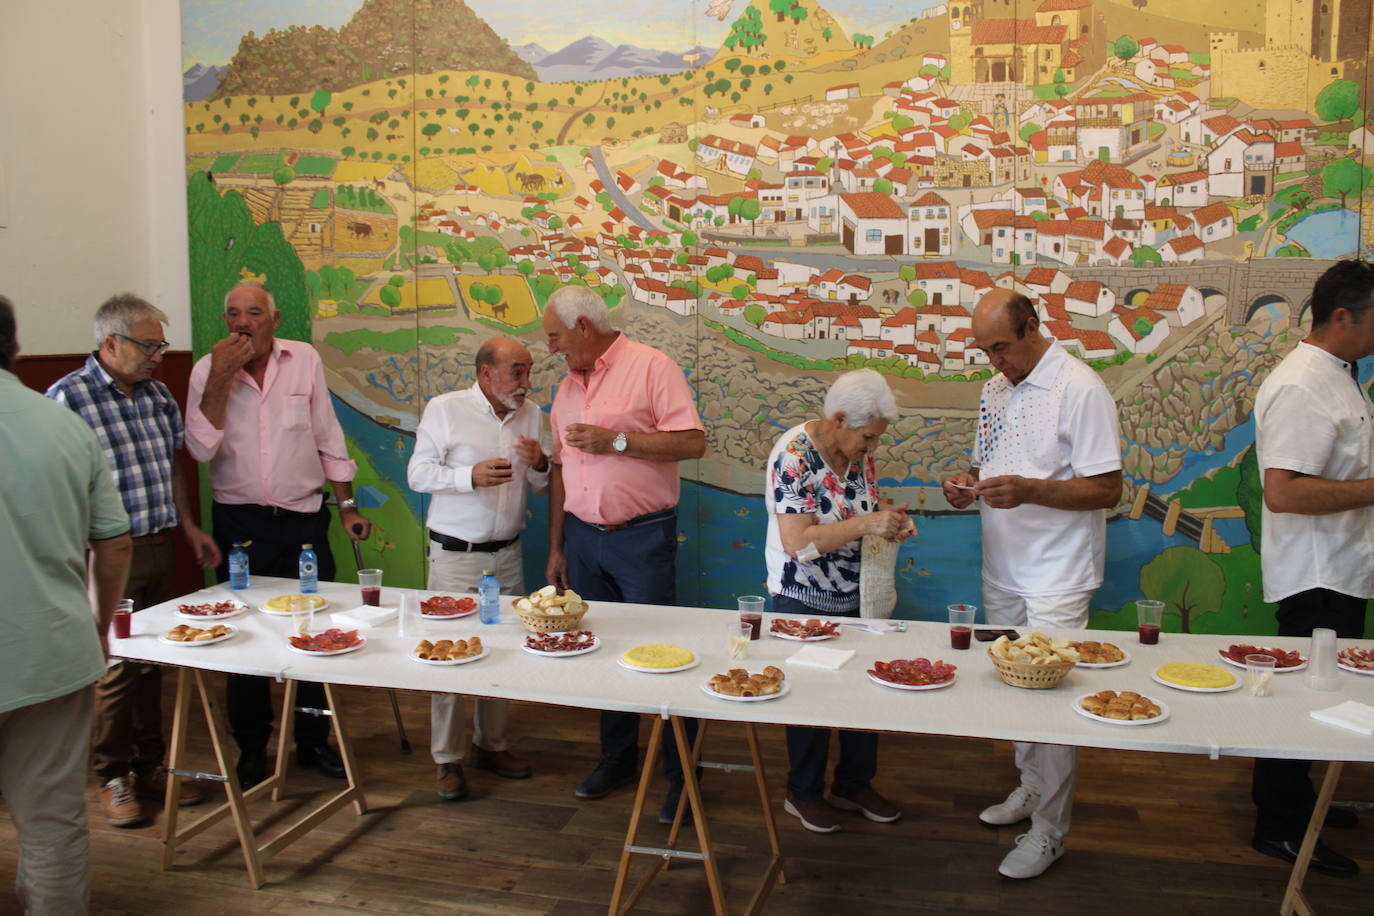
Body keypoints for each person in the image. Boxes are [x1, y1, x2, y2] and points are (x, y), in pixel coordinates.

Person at [943, 289, 1121, 879]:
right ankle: (1029, 789)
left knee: (1050, 701)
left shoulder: (1081, 388)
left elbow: (1106, 489)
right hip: (1004, 569)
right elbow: (986, 462)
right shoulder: (993, 389)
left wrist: (1031, 489)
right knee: (1015, 688)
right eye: (985, 351)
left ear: (1032, 327)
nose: (995, 361)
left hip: (1059, 574)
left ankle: (1050, 831)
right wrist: (966, 484)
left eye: (1001, 347)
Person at [186, 281, 372, 789]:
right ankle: (251, 748)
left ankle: (312, 742)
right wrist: (221, 377)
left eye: (252, 313)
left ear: (274, 317)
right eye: (232, 314)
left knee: (314, 634)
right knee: (242, 638)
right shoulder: (207, 370)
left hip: (304, 522)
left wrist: (349, 505)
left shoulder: (304, 359)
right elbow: (200, 448)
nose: (241, 322)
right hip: (240, 526)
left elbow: (328, 436)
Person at [45, 294, 217, 827]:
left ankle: (150, 766)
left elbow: (170, 469)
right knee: (115, 668)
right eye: (148, 345)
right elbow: (53, 488)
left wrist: (187, 526)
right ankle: (111, 776)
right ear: (110, 342)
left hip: (159, 546)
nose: (158, 356)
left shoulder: (158, 396)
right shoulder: (66, 399)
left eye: (162, 345)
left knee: (153, 663)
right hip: (105, 558)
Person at [542, 285, 705, 822]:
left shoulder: (653, 367)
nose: (550, 349)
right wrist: (558, 549)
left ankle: (682, 777)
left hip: (642, 539)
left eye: (556, 337)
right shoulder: (564, 389)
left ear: (584, 326)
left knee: (663, 657)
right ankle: (617, 759)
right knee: (600, 651)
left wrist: (617, 441)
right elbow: (562, 470)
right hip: (583, 542)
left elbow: (692, 442)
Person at [0, 296, 133, 914]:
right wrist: (98, 625)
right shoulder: (60, 422)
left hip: (46, 652)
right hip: (54, 650)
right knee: (52, 821)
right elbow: (113, 540)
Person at [1248, 259, 1374, 879]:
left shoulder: (1340, 374)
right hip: (1316, 574)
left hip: (1341, 566)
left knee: (1317, 692)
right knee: (1299, 699)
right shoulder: (1302, 385)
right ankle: (1279, 825)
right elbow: (1285, 493)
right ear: (1343, 317)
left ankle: (1300, 799)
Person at [764, 369, 912, 834]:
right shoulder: (795, 456)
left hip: (854, 596)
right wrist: (869, 526)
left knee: (863, 694)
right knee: (811, 700)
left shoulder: (856, 451)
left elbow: (859, 510)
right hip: (800, 598)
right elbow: (798, 542)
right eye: (868, 438)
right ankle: (802, 793)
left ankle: (853, 783)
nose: (872, 449)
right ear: (840, 418)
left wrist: (888, 521)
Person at [408, 337, 547, 800]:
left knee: (504, 651)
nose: (526, 383)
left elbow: (543, 487)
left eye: (528, 372)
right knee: (449, 655)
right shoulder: (445, 410)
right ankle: (446, 760)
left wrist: (542, 464)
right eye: (517, 372)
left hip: (507, 553)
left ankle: (491, 745)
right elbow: (418, 475)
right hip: (453, 557)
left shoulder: (533, 416)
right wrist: (469, 477)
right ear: (486, 372)